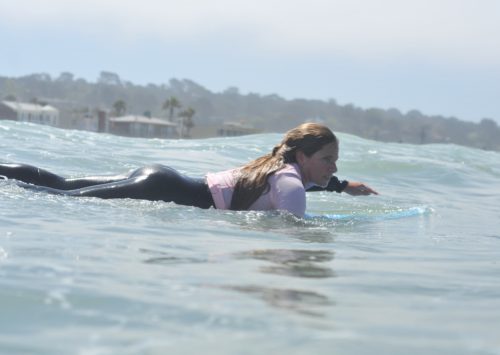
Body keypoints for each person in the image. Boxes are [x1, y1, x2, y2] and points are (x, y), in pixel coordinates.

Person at [0, 123, 377, 217]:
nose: (333, 165)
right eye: (328, 158)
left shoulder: (279, 170)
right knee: (58, 197)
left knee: (59, 184)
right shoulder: (290, 184)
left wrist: (340, 186)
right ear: (305, 157)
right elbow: (294, 230)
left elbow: (299, 187)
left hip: (161, 177)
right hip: (159, 189)